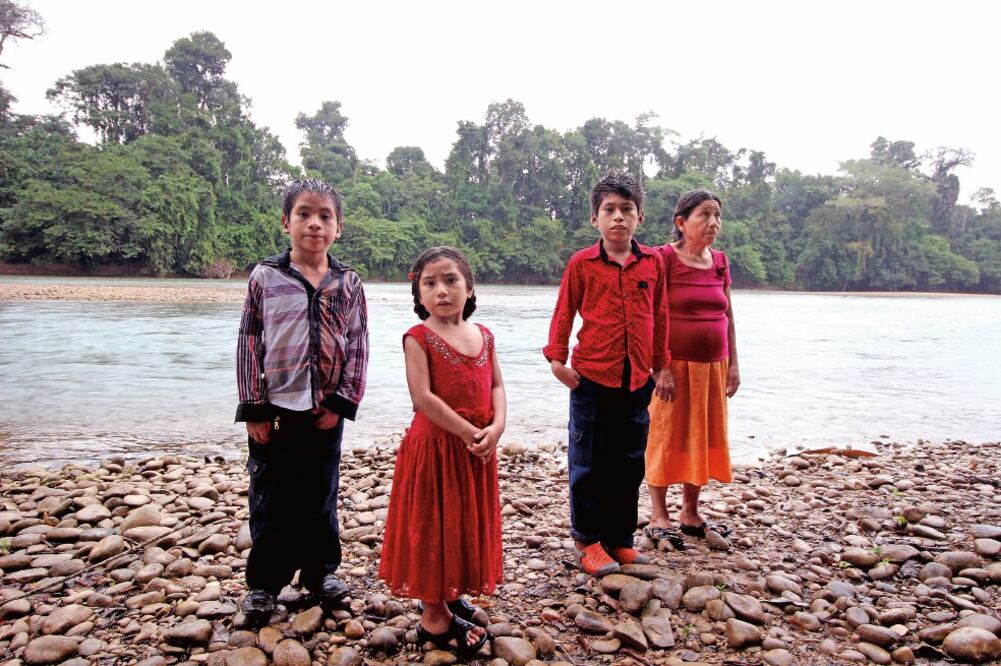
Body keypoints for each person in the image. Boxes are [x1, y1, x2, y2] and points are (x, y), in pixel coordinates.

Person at [235, 178, 369, 627]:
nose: (314, 223)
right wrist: (252, 405)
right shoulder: (265, 277)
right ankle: (263, 585)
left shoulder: (347, 282)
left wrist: (342, 401)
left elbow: (358, 344)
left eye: (325, 216)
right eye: (304, 214)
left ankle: (320, 573)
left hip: (324, 411)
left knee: (320, 494)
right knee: (270, 496)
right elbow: (249, 341)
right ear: (285, 222)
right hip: (274, 409)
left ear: (339, 227)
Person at [544, 172, 675, 577]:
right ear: (594, 219)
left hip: (637, 380)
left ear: (640, 217)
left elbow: (661, 316)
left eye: (626, 210)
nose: (618, 218)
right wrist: (557, 361)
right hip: (591, 380)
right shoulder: (582, 264)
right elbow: (564, 311)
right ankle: (588, 542)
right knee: (590, 463)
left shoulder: (652, 263)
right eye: (609, 211)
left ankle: (620, 540)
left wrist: (662, 367)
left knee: (630, 462)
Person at [379, 246, 505, 659]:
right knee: (433, 525)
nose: (441, 290)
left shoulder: (484, 335)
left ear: (470, 287)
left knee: (462, 522)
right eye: (429, 283)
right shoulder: (418, 338)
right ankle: (433, 618)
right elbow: (423, 398)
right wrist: (471, 431)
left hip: (475, 450)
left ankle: (450, 593)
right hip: (435, 449)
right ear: (418, 295)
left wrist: (497, 426)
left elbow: (497, 387)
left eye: (451, 280)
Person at [644, 189, 740, 547]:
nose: (713, 222)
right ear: (681, 222)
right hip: (673, 368)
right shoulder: (663, 259)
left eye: (717, 215)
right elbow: (650, 315)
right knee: (665, 434)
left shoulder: (720, 261)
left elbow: (728, 315)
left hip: (714, 367)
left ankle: (690, 510)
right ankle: (658, 512)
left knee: (703, 434)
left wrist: (733, 366)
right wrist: (660, 367)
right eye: (704, 214)